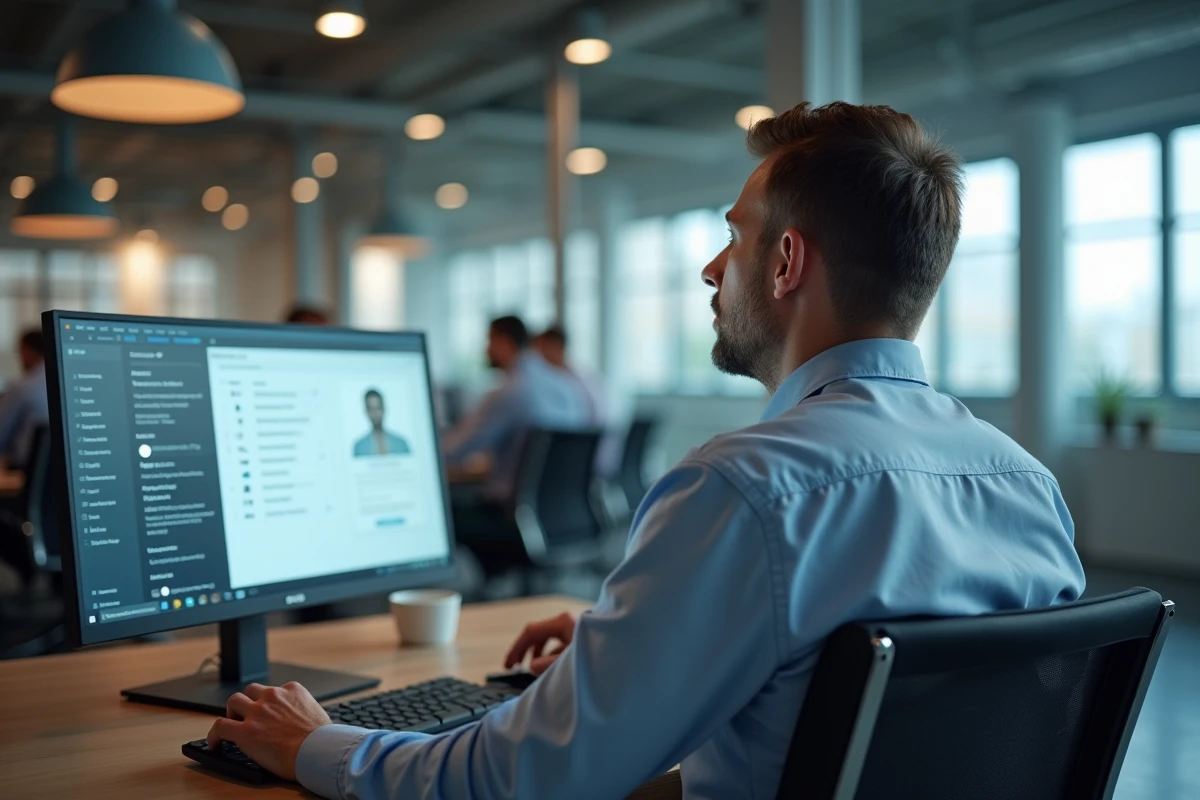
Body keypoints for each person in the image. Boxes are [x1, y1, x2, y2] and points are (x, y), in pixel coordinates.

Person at [206, 102, 1086, 799]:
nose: (711, 268)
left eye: (732, 236)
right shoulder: (1027, 485)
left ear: (785, 263)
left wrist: (315, 744)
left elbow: (518, 781)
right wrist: (643, 641)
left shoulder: (746, 489)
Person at [441, 315, 591, 500]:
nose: (486, 349)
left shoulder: (512, 391)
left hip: (508, 512)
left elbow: (456, 450)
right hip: (560, 509)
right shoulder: (566, 386)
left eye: (489, 340)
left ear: (504, 342)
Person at [532, 325, 605, 425]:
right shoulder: (582, 375)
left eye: (541, 349)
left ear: (555, 346)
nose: (538, 355)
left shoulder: (580, 378)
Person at [0, 329, 49, 470]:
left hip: (25, 472)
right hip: (60, 476)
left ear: (27, 351)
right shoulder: (65, 383)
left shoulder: (21, 388)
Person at [352, 390, 411, 457]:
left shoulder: (401, 444)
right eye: (371, 409)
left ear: (384, 409)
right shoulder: (359, 447)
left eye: (378, 408)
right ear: (366, 412)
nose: (375, 413)